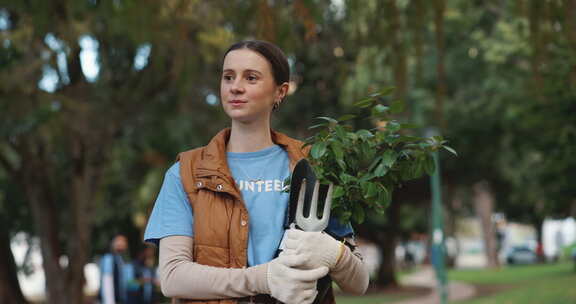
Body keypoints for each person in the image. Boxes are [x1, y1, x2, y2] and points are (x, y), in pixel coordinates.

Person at [143, 40, 369, 304]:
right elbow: (172, 278)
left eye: (251, 78)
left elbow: (359, 283)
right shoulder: (187, 172)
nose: (235, 86)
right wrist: (265, 278)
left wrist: (335, 254)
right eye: (228, 77)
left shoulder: (314, 166)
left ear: (280, 92)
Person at [99, 234, 130, 304]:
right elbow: (107, 282)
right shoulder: (108, 258)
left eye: (124, 241)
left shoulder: (120, 259)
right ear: (112, 243)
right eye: (119, 241)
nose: (122, 243)